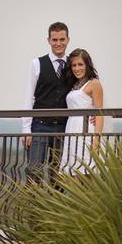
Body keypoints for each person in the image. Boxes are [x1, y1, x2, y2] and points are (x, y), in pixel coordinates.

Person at [22, 22, 71, 179]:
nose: (58, 43)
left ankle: (56, 204)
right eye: (54, 39)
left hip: (64, 128)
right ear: (48, 40)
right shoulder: (36, 64)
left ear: (68, 40)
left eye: (62, 39)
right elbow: (28, 97)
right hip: (39, 126)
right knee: (34, 171)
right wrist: (26, 129)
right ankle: (32, 204)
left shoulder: (74, 65)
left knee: (58, 176)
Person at [59, 48, 111, 175]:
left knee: (88, 171)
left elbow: (99, 114)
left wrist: (96, 140)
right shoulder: (74, 85)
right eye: (74, 65)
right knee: (74, 172)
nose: (77, 68)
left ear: (87, 65)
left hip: (87, 129)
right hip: (72, 129)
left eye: (80, 64)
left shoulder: (94, 84)